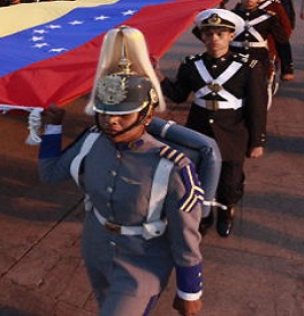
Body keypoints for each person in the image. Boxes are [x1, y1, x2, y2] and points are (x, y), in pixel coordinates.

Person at [37, 26, 204, 316]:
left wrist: (190, 289)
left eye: (123, 115)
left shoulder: (173, 165)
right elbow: (50, 173)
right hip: (96, 247)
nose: (112, 122)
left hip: (144, 260)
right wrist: (53, 127)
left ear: (147, 114)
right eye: (106, 113)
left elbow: (185, 235)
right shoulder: (92, 141)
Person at [159, 9, 267, 238]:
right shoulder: (191, 64)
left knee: (229, 181)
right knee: (198, 176)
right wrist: (158, 77)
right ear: (202, 37)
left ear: (230, 36)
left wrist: (257, 140)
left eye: (220, 33)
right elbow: (179, 95)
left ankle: (227, 210)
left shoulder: (249, 66)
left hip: (233, 131)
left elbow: (257, 107)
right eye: (208, 34)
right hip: (199, 129)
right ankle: (204, 214)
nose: (214, 39)